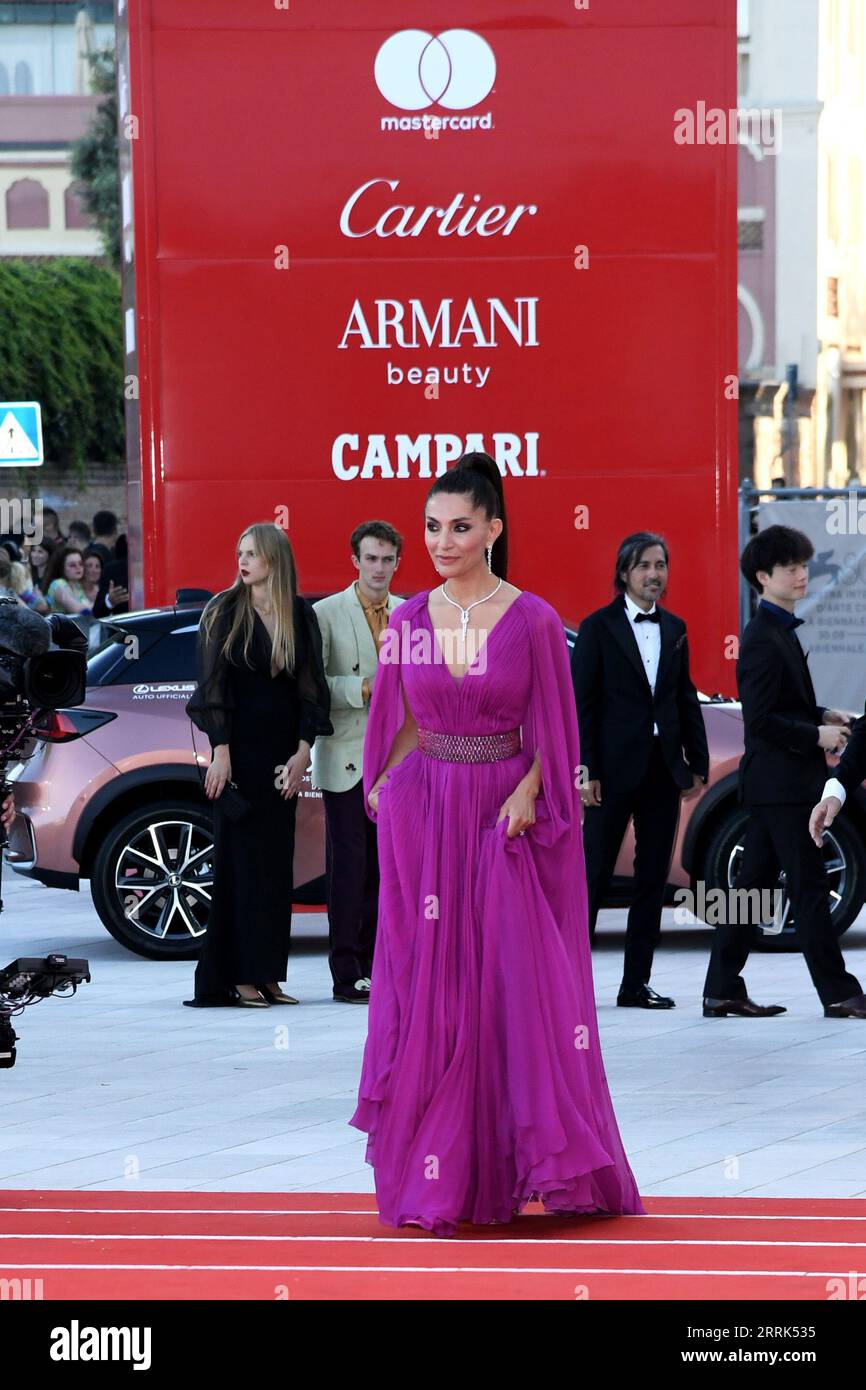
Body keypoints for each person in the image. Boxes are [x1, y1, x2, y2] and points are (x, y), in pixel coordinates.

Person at [350, 452, 643, 1236]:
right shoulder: (408, 620)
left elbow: (554, 725)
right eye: (432, 528)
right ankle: (447, 1171)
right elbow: (403, 725)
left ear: (493, 530)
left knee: (509, 990)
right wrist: (385, 785)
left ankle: (518, 1165)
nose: (442, 542)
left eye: (459, 527)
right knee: (435, 994)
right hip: (430, 819)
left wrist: (533, 784)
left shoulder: (535, 619)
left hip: (504, 819)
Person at [704, 526, 865, 1019]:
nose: (802, 574)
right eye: (790, 567)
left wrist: (823, 715)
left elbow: (783, 704)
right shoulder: (761, 638)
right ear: (762, 576)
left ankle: (721, 989)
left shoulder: (778, 630)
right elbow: (761, 719)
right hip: (783, 786)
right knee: (810, 888)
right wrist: (815, 736)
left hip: (778, 785)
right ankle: (838, 992)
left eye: (802, 565)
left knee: (750, 891)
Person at [184, 522, 332, 1008]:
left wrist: (303, 751)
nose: (242, 561)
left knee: (274, 866)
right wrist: (220, 752)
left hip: (281, 758)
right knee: (240, 865)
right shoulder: (225, 611)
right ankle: (238, 975)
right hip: (239, 757)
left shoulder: (298, 614)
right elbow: (212, 690)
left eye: (251, 553)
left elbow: (312, 689)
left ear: (274, 558)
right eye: (239, 551)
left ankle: (268, 973)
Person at [571, 533, 709, 1009]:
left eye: (661, 565)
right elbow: (581, 706)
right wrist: (585, 770)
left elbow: (683, 697)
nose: (655, 574)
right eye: (645, 565)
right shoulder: (596, 628)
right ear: (624, 572)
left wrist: (698, 761)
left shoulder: (675, 629)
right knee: (591, 878)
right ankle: (572, 987)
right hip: (610, 773)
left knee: (652, 880)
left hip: (662, 772)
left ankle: (636, 984)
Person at [312, 522, 403, 1003]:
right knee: (350, 868)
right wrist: (361, 689)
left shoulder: (412, 614)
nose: (379, 568)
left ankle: (381, 966)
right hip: (347, 758)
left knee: (389, 869)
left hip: (398, 762)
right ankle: (346, 973)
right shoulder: (326, 613)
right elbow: (313, 687)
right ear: (355, 560)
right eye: (371, 558)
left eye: (388, 560)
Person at [43, 545, 92, 617]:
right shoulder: (58, 584)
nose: (78, 567)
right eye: (72, 565)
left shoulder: (77, 584)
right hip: (59, 627)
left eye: (80, 564)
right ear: (62, 568)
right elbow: (77, 609)